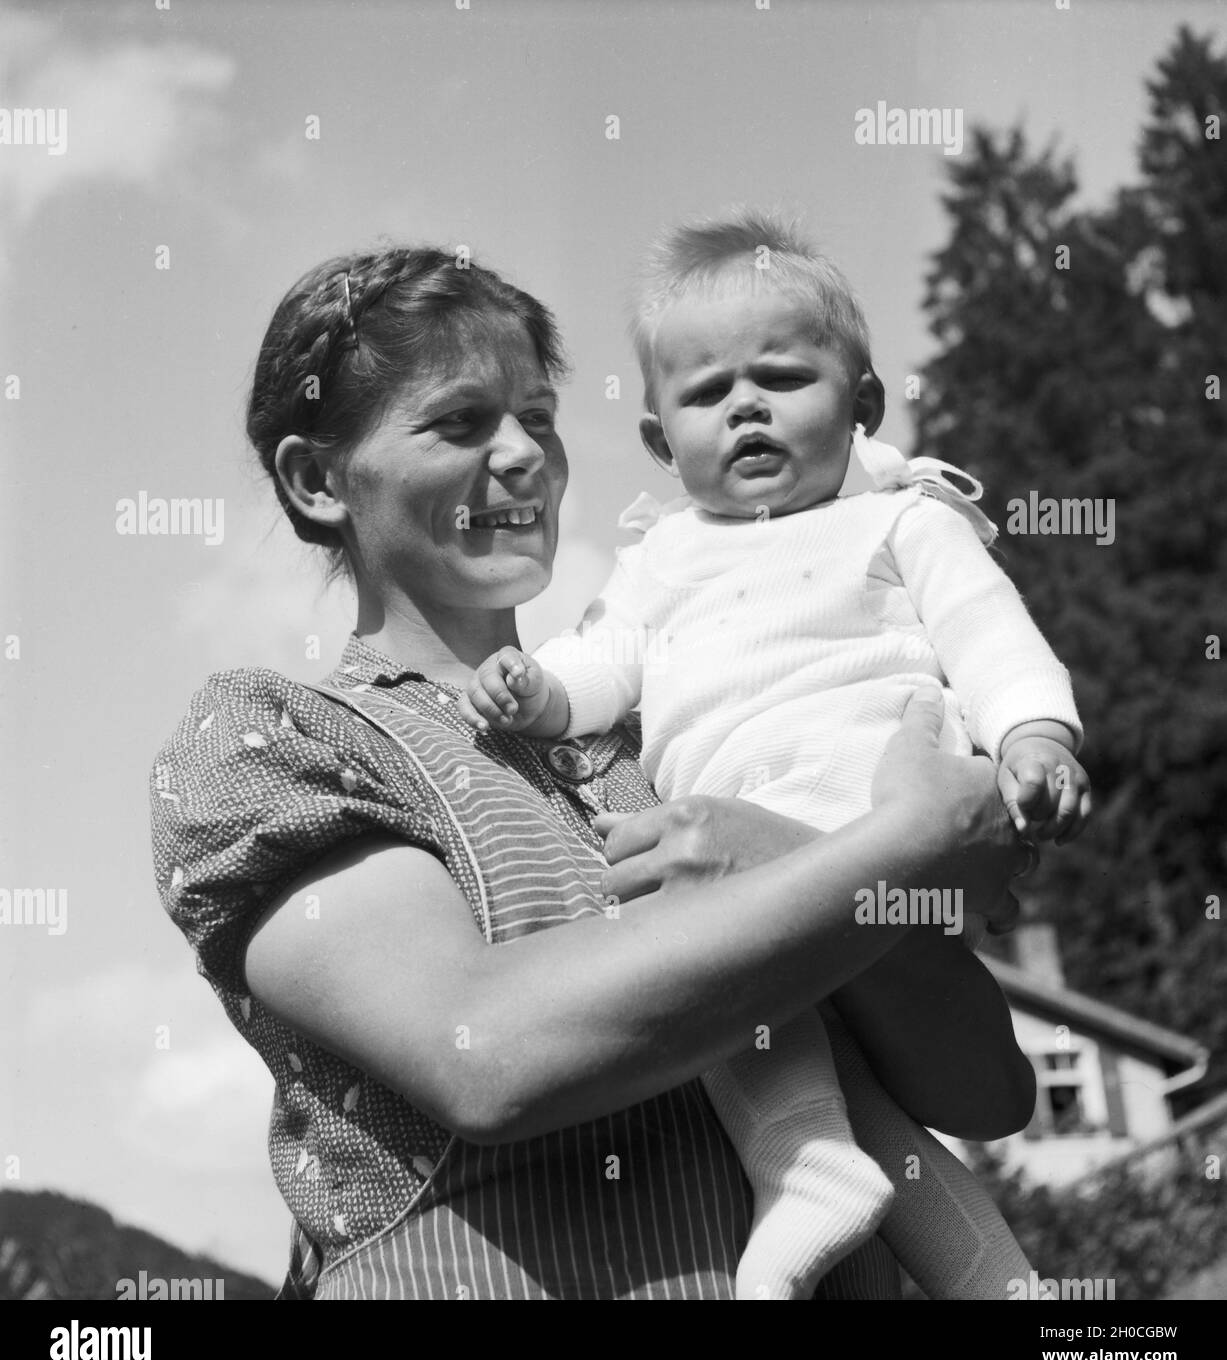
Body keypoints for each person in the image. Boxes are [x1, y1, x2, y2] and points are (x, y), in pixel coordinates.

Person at [150, 243, 1037, 1301]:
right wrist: (893, 849)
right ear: (317, 479)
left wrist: (788, 855)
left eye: (539, 415)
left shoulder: (678, 738)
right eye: (461, 421)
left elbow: (983, 1086)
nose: (524, 454)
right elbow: (486, 1058)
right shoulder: (280, 740)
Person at [459, 211, 1091, 1299]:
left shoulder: (901, 522)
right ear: (662, 441)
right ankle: (994, 1280)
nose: (745, 405)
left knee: (704, 954)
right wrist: (541, 690)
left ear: (863, 405)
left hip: (865, 834)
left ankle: (800, 1164)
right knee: (875, 1121)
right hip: (756, 883)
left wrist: (1034, 733)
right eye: (707, 394)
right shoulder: (662, 558)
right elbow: (603, 661)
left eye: (783, 377)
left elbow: (991, 637)